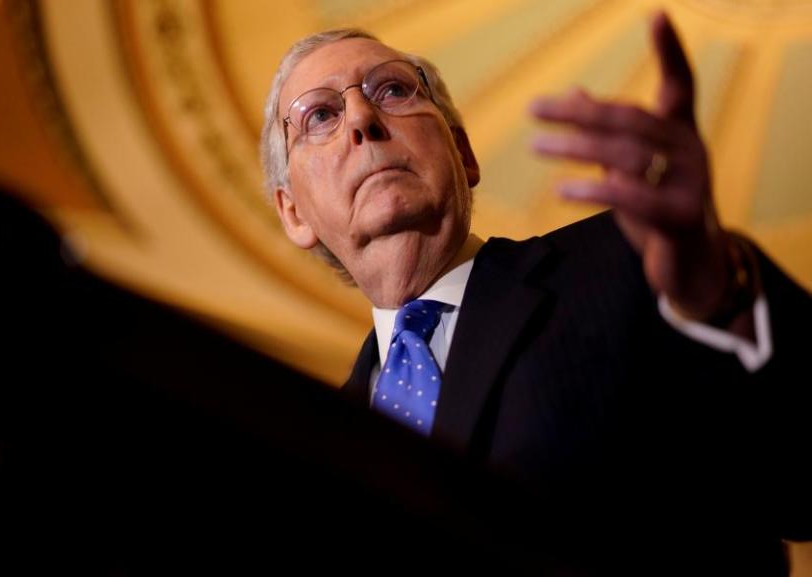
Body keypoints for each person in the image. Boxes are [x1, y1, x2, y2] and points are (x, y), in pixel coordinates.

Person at [260, 10, 810, 574]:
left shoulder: (630, 261)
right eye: (320, 115)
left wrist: (720, 292)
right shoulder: (321, 441)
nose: (362, 119)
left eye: (394, 89)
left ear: (463, 153)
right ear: (294, 212)